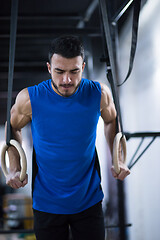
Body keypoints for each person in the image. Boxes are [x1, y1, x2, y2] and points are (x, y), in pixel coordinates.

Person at [5, 35, 130, 240]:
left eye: (74, 71)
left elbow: (111, 120)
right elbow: (12, 128)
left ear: (83, 65)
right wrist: (14, 167)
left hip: (88, 199)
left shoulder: (99, 94)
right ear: (48, 68)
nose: (66, 80)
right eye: (59, 71)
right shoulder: (29, 98)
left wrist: (119, 159)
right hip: (47, 202)